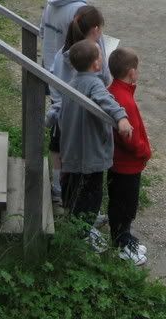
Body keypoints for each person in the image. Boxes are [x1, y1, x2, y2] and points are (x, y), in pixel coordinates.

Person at [58, 39, 133, 251]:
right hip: (89, 152)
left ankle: (77, 219)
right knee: (91, 194)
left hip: (73, 149)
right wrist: (121, 118)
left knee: (75, 189)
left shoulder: (72, 82)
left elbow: (60, 105)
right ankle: (83, 232)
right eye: (100, 55)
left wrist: (52, 116)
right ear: (96, 65)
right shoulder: (93, 83)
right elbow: (106, 100)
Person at [41, 0, 96, 202]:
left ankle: (56, 185)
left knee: (58, 134)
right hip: (71, 79)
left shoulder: (53, 0)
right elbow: (86, 48)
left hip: (51, 73)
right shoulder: (79, 10)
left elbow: (44, 31)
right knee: (70, 138)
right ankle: (67, 192)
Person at [107, 47, 151, 266]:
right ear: (132, 72)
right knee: (126, 204)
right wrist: (144, 151)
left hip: (118, 162)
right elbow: (131, 138)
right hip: (127, 165)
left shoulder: (113, 91)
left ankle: (124, 235)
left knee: (119, 201)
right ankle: (122, 242)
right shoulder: (126, 100)